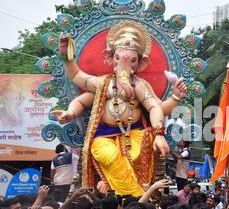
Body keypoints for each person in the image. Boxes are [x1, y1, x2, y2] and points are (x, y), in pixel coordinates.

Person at [55, 21, 188, 198]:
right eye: (119, 58)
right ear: (111, 58)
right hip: (104, 136)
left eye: (132, 60)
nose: (125, 63)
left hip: (134, 134)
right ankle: (132, 195)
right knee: (108, 155)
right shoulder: (103, 83)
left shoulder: (139, 85)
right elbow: (78, 82)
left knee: (140, 150)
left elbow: (157, 108)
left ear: (139, 63)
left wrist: (170, 108)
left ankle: (131, 194)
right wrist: (70, 112)